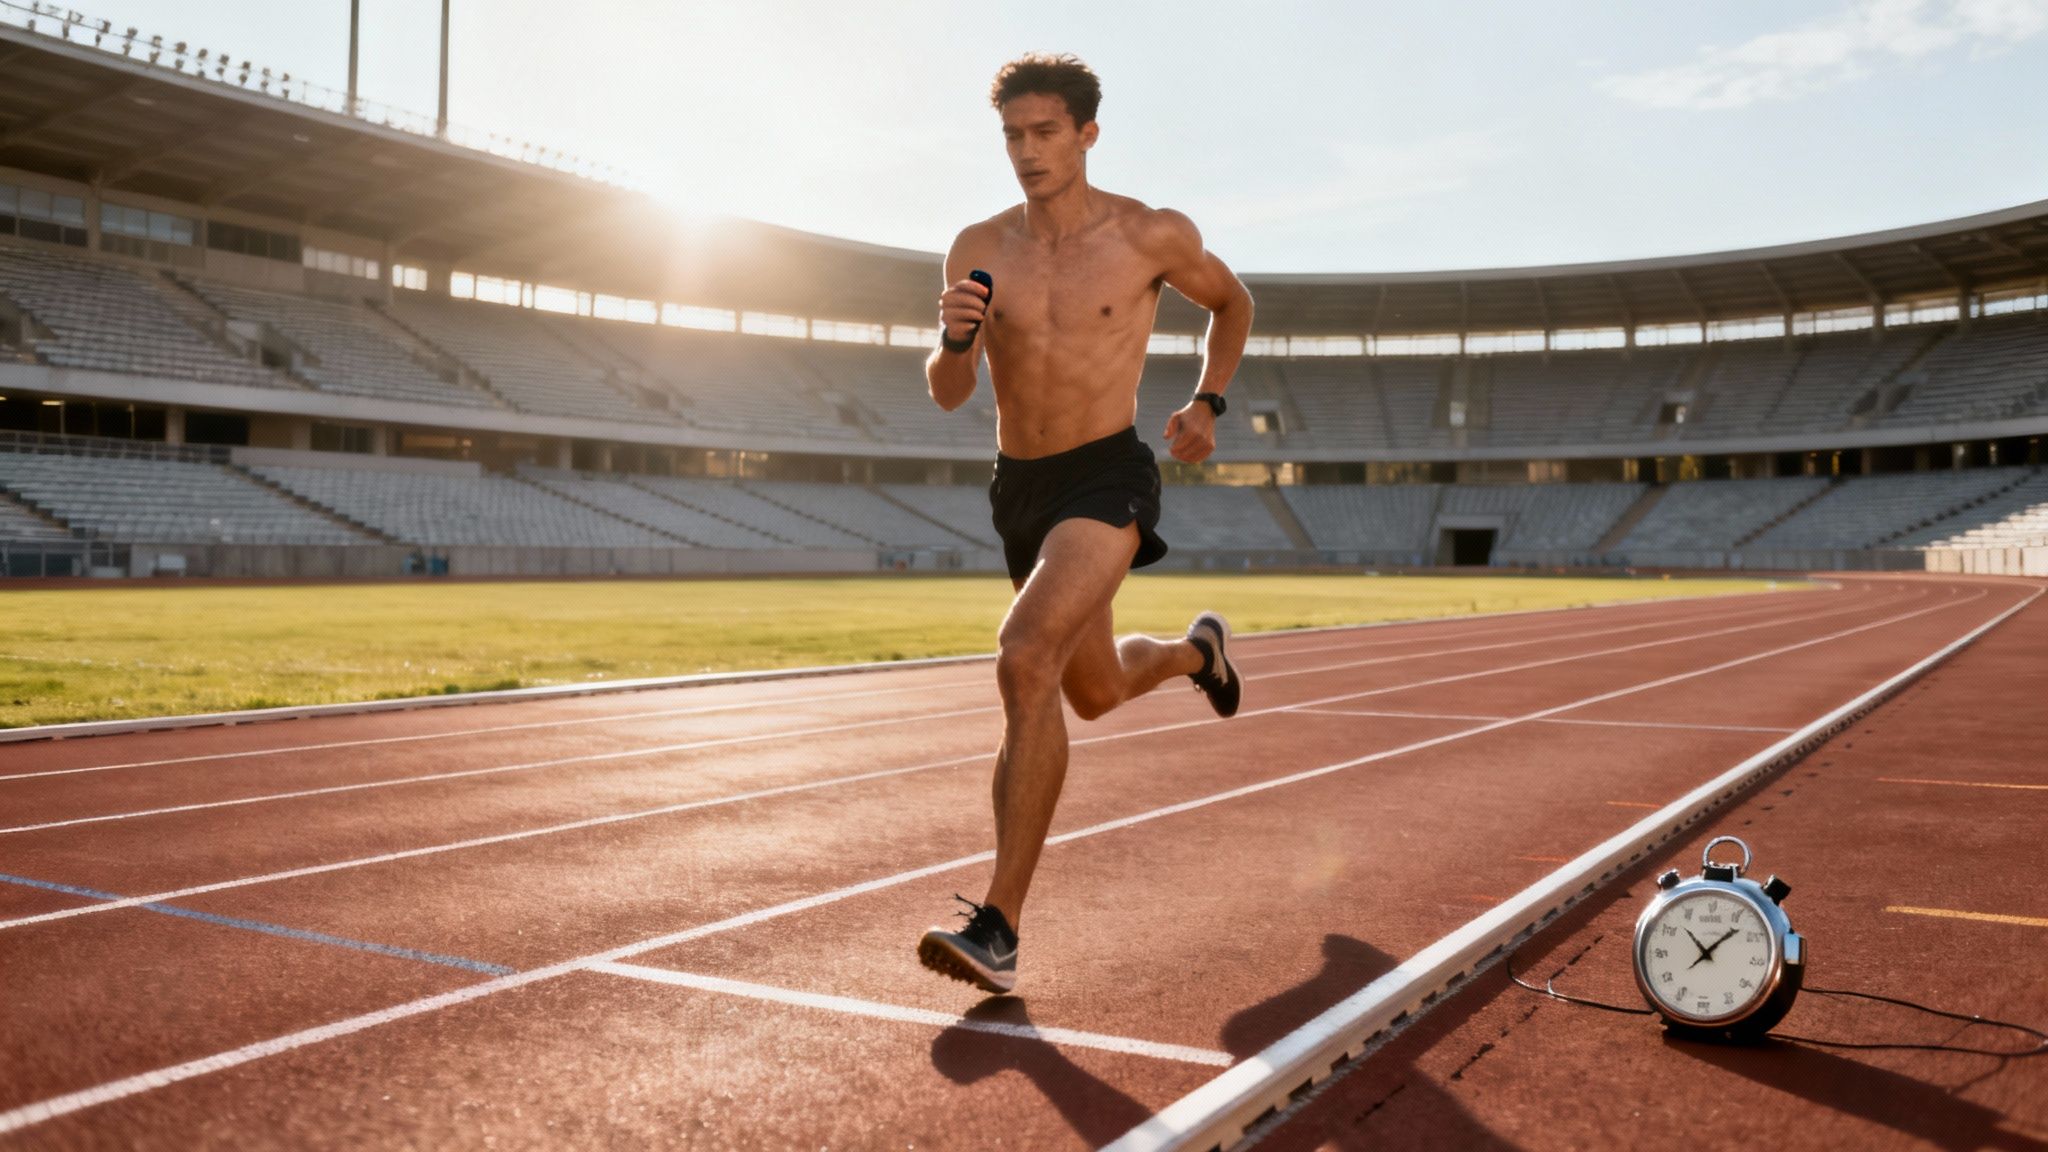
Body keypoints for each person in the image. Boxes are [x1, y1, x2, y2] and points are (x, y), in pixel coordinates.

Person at [916, 53, 1255, 993]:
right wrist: (950, 340)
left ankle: (999, 926)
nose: (1026, 152)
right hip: (1019, 486)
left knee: (1024, 656)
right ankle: (1199, 655)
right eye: (1012, 137)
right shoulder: (977, 248)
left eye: (1044, 133)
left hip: (1109, 475)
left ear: (1086, 134)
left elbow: (1234, 302)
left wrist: (1209, 403)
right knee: (1094, 691)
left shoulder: (1149, 234)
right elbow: (950, 395)